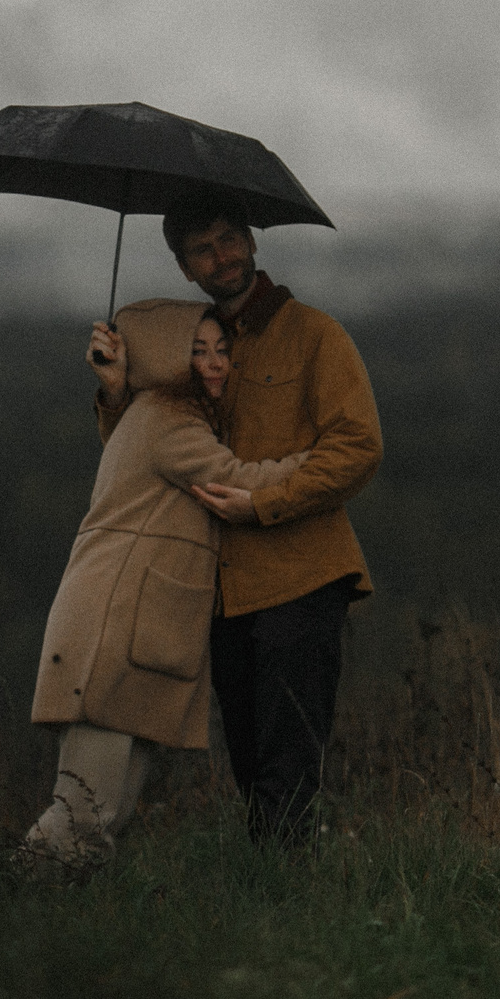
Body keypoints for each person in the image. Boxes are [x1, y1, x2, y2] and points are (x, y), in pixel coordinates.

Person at [89, 187, 382, 847]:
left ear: (251, 240)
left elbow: (359, 447)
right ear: (185, 268)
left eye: (227, 239)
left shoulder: (314, 335)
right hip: (221, 592)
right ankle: (275, 894)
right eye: (201, 249)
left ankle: (285, 903)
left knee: (287, 766)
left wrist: (266, 502)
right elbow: (152, 456)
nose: (220, 256)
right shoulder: (195, 348)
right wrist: (114, 396)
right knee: (251, 764)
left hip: (301, 578)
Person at [23, 300, 308, 869]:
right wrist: (319, 462)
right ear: (163, 357)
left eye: (223, 350)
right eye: (195, 351)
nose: (215, 364)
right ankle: (9, 911)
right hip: (113, 633)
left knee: (100, 819)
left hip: (126, 634)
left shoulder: (153, 414)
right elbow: (233, 481)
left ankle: (50, 929)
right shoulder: (168, 420)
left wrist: (114, 392)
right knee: (83, 819)